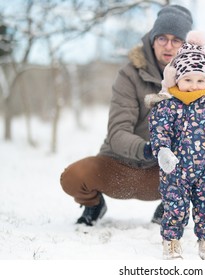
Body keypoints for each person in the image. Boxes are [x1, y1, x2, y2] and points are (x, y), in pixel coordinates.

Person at [60, 5, 193, 227]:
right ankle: (94, 205)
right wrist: (150, 149)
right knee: (72, 177)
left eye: (176, 40)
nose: (168, 46)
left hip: (163, 176)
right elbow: (118, 132)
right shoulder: (129, 75)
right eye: (162, 38)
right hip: (119, 166)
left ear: (185, 45)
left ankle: (171, 205)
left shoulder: (196, 80)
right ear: (152, 40)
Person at [146, 31, 205, 260]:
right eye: (188, 80)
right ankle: (172, 241)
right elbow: (159, 132)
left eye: (200, 80)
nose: (194, 86)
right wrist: (163, 151)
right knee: (174, 207)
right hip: (175, 172)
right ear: (176, 79)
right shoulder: (167, 106)